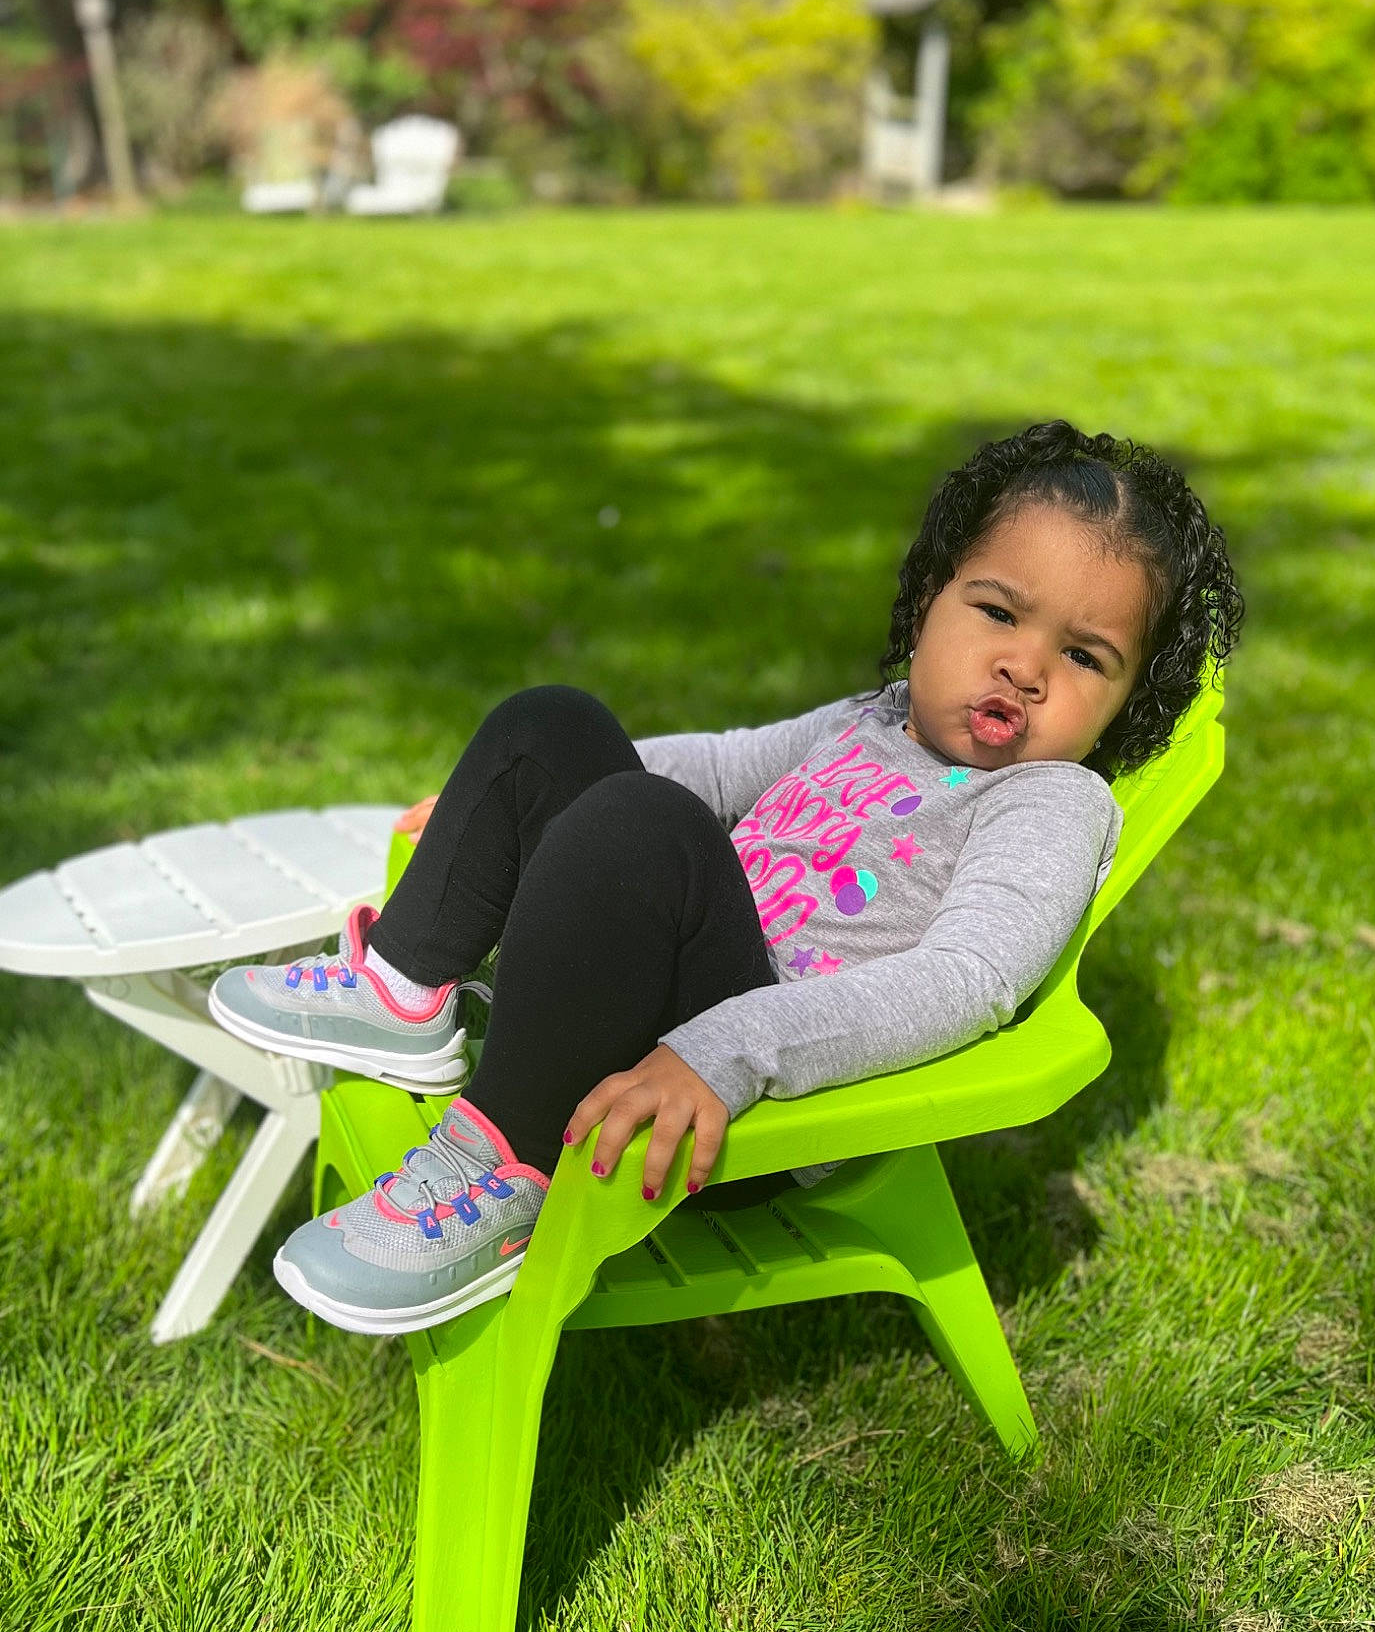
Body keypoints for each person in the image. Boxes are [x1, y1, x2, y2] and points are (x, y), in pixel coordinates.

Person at [208, 420, 1243, 1336]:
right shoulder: (871, 720)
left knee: (647, 822)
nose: (1026, 666)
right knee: (554, 724)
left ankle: (499, 1177)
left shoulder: (1047, 802)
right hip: (658, 1012)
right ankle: (401, 986)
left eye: (1086, 656)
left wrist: (725, 1053)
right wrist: (509, 808)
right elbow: (705, 762)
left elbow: (969, 979)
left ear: (1124, 709)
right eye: (999, 612)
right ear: (930, 599)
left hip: (731, 1112)